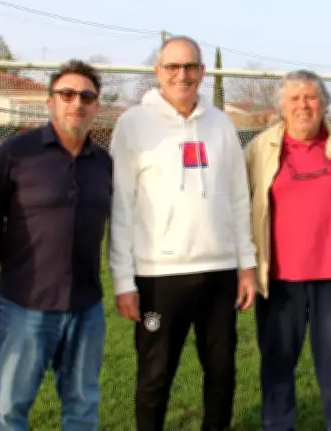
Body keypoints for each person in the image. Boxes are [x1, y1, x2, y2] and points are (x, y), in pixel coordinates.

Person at [108, 35, 258, 431]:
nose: (182, 74)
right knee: (155, 380)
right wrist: (124, 281)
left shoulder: (221, 123)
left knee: (222, 375)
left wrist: (247, 266)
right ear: (157, 72)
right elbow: (121, 207)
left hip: (220, 271)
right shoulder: (133, 124)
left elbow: (239, 199)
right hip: (159, 275)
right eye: (172, 67)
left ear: (203, 72)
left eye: (190, 66)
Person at [0, 60, 111, 431]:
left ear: (96, 106)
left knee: (82, 409)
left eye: (86, 96)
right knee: (9, 410)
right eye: (66, 94)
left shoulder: (105, 163)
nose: (76, 103)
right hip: (25, 307)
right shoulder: (17, 152)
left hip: (87, 308)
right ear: (50, 102)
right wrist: (7, 259)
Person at [244, 69, 331, 431]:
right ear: (281, 106)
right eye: (294, 98)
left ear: (324, 103)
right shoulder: (260, 148)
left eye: (311, 97)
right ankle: (277, 425)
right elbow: (241, 203)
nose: (303, 105)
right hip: (278, 279)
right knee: (278, 362)